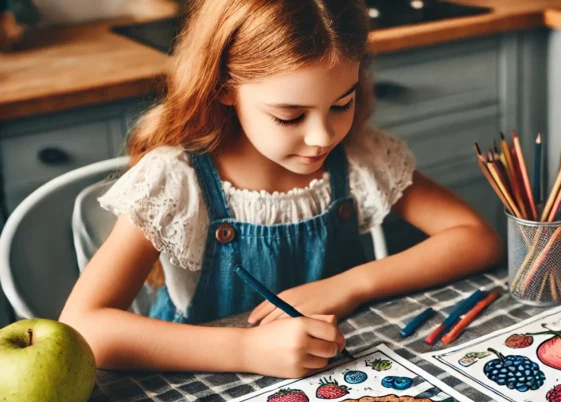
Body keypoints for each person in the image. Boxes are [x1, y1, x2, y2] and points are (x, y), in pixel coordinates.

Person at [61, 0, 502, 378]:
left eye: (341, 104)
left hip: (332, 378)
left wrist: (348, 286)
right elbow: (84, 329)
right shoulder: (177, 181)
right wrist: (247, 350)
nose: (322, 137)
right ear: (225, 88)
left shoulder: (361, 157)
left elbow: (477, 239)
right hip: (207, 388)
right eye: (290, 116)